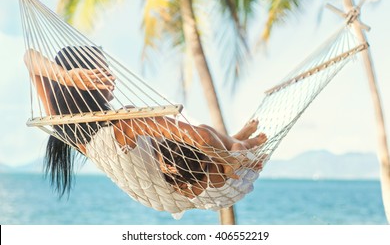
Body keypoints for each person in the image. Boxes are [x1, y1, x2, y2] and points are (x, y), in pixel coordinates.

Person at [24, 46, 267, 213]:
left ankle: (234, 142)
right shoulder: (128, 122)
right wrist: (228, 157)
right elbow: (201, 137)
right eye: (103, 70)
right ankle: (238, 148)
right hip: (207, 185)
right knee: (205, 132)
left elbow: (28, 58)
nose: (112, 76)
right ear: (89, 80)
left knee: (203, 137)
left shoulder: (68, 127)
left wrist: (65, 78)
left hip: (163, 195)